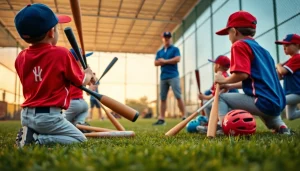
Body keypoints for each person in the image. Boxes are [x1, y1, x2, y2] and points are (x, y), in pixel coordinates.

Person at [14, 3, 95, 148]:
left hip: (26, 116)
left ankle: (30, 132)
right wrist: (88, 74)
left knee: (56, 127)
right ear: (51, 32)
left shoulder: (20, 57)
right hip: (49, 117)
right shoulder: (61, 53)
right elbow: (81, 81)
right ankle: (36, 140)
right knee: (80, 139)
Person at [213, 11, 290, 134]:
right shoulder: (264, 51)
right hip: (278, 102)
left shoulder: (239, 45)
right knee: (271, 121)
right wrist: (230, 85)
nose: (228, 36)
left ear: (234, 31)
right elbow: (252, 79)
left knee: (221, 98)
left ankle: (223, 126)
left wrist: (224, 80)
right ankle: (281, 126)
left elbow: (242, 74)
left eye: (228, 33)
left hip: (263, 102)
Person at [153, 31, 186, 125]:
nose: (167, 39)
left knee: (178, 96)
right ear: (162, 38)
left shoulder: (175, 49)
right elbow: (155, 63)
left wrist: (164, 61)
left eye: (168, 37)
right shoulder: (160, 51)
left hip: (173, 76)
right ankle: (161, 119)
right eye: (165, 37)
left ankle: (184, 116)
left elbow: (177, 59)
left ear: (170, 38)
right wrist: (162, 62)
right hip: (163, 77)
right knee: (162, 98)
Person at [63, 49, 94, 131]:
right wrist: (90, 75)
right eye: (82, 59)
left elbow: (90, 81)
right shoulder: (79, 72)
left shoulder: (74, 71)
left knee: (60, 123)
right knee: (77, 125)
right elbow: (87, 82)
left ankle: (80, 127)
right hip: (83, 104)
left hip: (73, 104)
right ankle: (81, 127)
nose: (84, 61)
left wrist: (91, 78)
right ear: (75, 61)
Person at [275, 34, 300, 120]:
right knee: (291, 116)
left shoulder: (297, 58)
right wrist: (278, 69)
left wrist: (278, 66)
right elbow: (281, 76)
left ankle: (277, 125)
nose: (284, 47)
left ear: (297, 45)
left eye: (287, 45)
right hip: (291, 92)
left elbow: (282, 71)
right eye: (283, 46)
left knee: (278, 101)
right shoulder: (291, 60)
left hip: (297, 92)